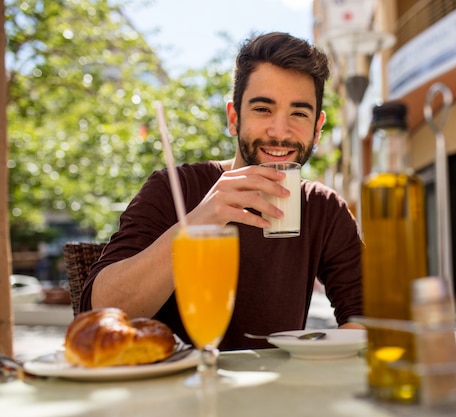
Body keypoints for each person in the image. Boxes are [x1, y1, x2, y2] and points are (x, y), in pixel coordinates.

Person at [79, 32, 364, 350]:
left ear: (316, 128)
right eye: (263, 109)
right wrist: (199, 222)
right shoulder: (175, 188)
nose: (280, 132)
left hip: (278, 395)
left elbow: (365, 316)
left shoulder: (322, 208)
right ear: (233, 117)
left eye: (298, 113)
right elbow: (97, 311)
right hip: (176, 390)